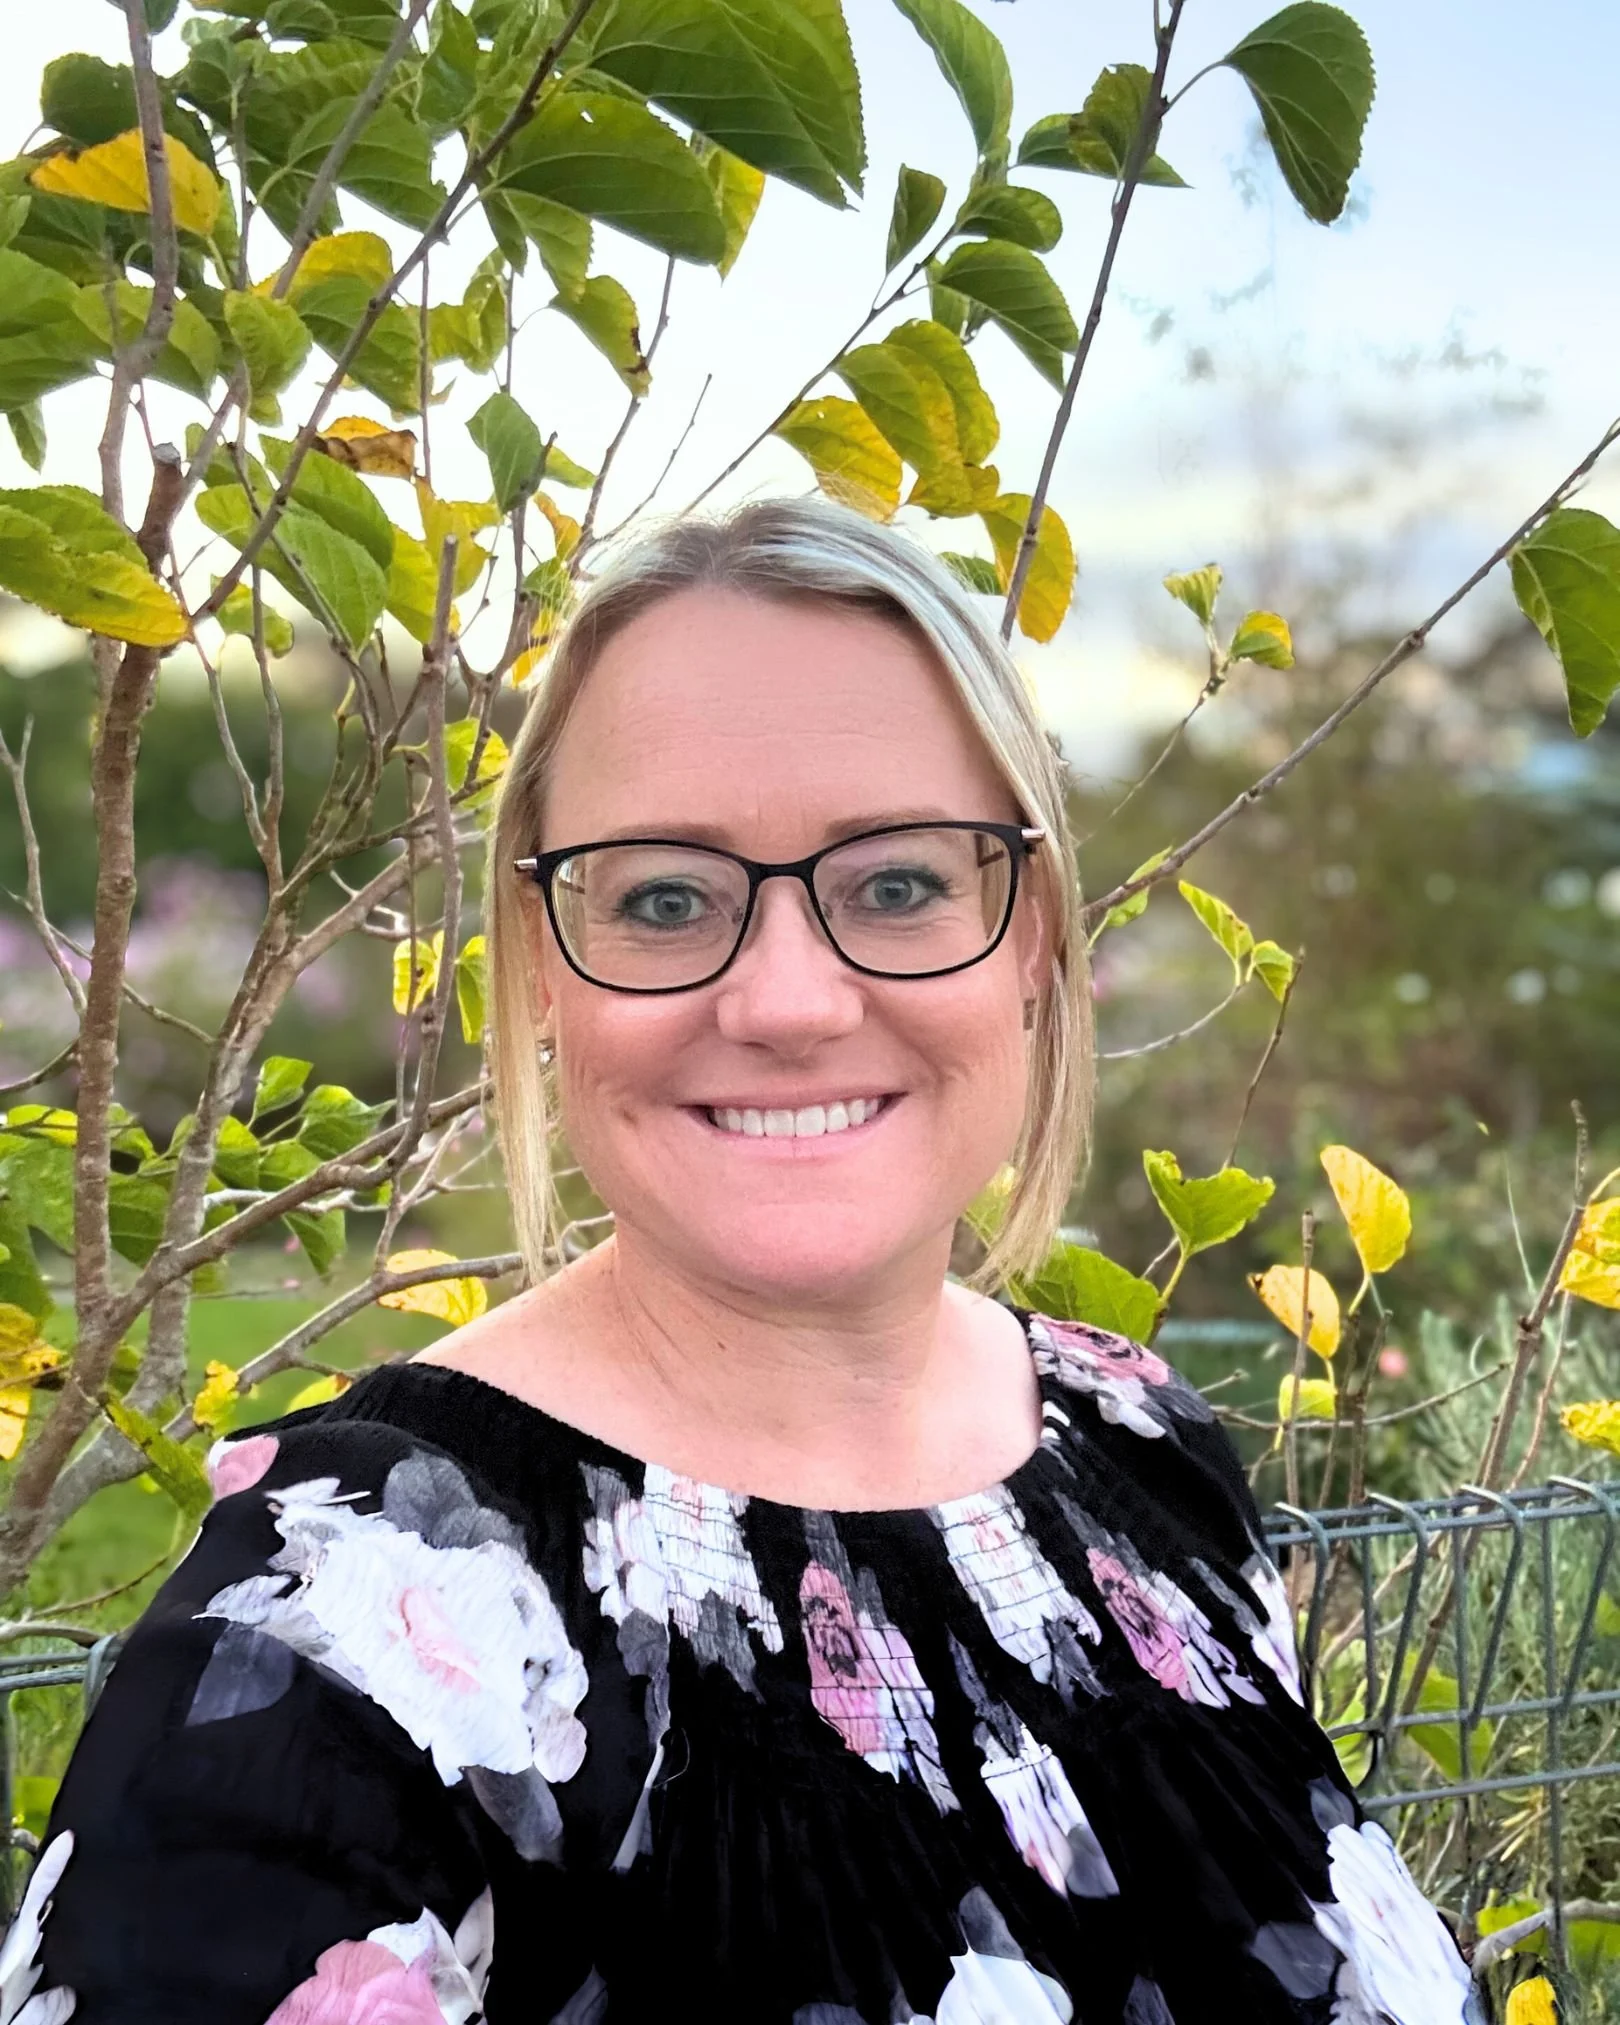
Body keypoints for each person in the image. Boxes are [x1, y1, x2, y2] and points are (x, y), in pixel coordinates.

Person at [11, 500, 1480, 2023]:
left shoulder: (1144, 1446)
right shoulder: (342, 1626)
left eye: (899, 883)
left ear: (1031, 940)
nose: (789, 999)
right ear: (540, 978)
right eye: (663, 898)